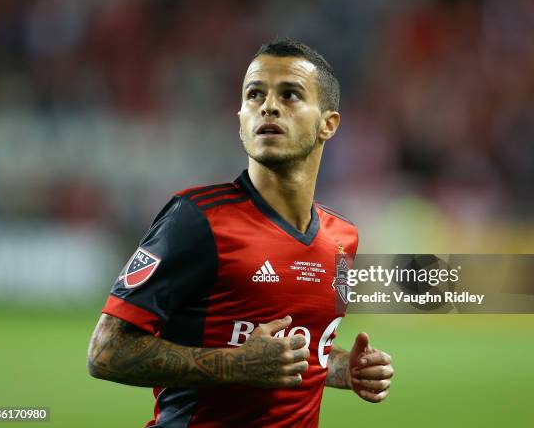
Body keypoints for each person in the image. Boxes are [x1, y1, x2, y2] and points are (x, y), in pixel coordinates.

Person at [87, 38, 393, 428]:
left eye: (290, 94)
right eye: (254, 94)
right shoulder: (196, 219)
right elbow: (106, 352)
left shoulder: (342, 238)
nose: (268, 105)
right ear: (241, 119)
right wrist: (236, 364)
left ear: (328, 124)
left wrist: (342, 368)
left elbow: (309, 349)